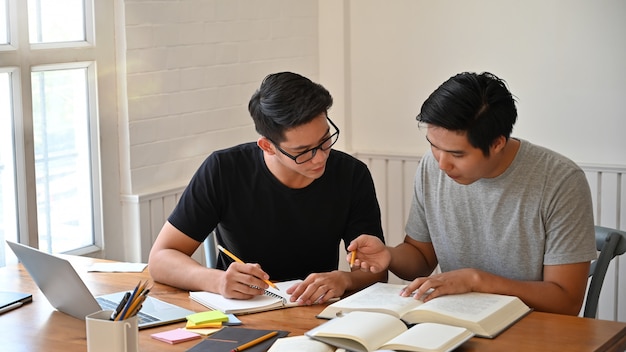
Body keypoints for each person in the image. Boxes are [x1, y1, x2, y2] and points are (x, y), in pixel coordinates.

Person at [348, 72, 596, 315]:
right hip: (454, 321)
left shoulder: (560, 180)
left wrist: (477, 280)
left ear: (497, 143)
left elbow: (566, 301)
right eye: (434, 146)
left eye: (457, 154)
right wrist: (388, 255)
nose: (442, 164)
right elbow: (421, 258)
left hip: (531, 330)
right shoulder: (431, 166)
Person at [149, 71, 386, 305]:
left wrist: (344, 279)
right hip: (241, 311)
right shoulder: (224, 170)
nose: (319, 158)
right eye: (302, 152)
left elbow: (376, 270)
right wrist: (217, 280)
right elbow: (160, 258)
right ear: (267, 146)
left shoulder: (352, 174)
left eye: (325, 141)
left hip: (315, 310)